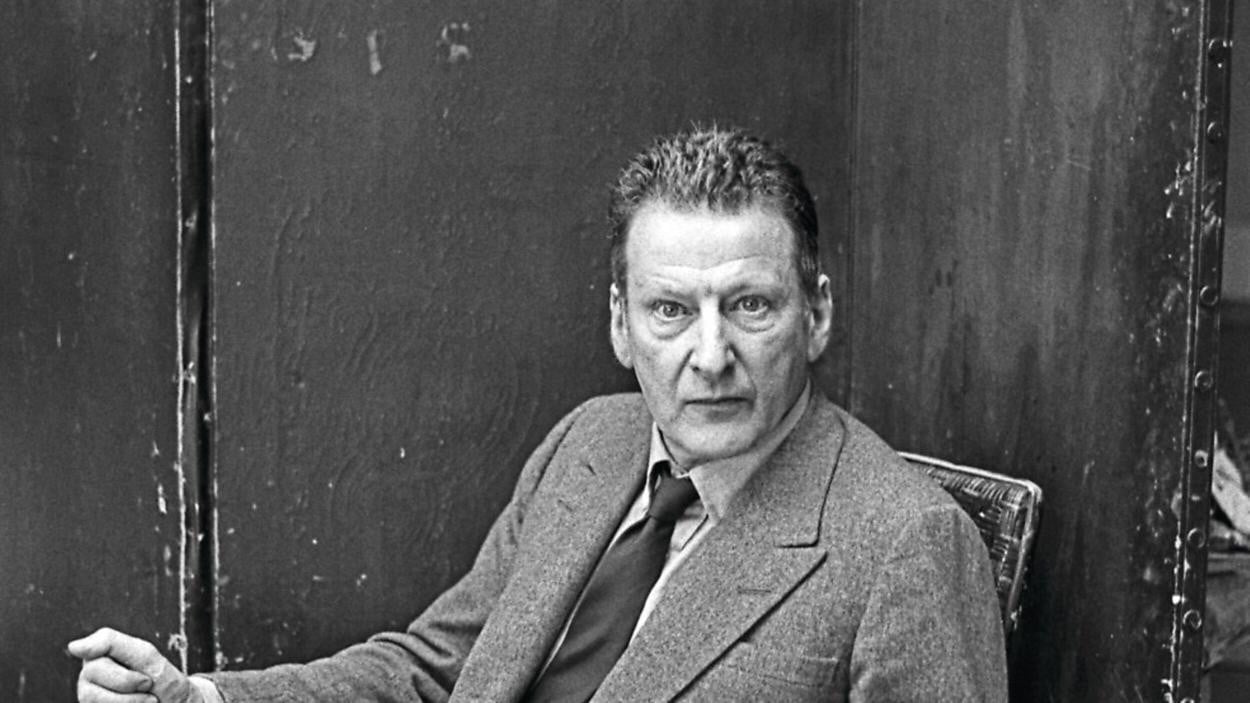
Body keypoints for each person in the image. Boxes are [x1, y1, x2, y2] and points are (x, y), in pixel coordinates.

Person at [70, 127, 1008, 702]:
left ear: (818, 314)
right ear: (621, 324)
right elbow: (440, 668)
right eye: (671, 310)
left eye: (751, 305)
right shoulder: (593, 440)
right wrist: (202, 698)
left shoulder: (905, 545)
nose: (710, 353)